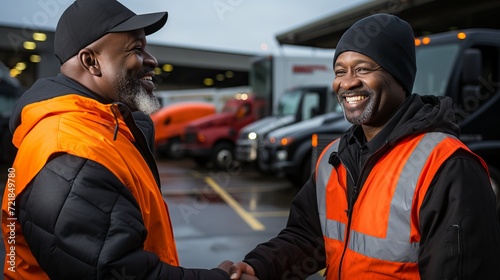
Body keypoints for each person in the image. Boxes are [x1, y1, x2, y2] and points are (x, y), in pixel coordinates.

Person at [230, 13, 500, 279]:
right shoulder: (332, 158)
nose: (347, 82)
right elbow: (307, 236)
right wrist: (260, 267)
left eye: (362, 69)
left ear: (399, 77)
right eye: (340, 71)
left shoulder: (448, 165)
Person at [1, 0, 256, 279]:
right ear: (91, 61)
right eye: (136, 49)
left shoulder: (108, 128)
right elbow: (117, 271)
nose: (152, 60)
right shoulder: (71, 152)